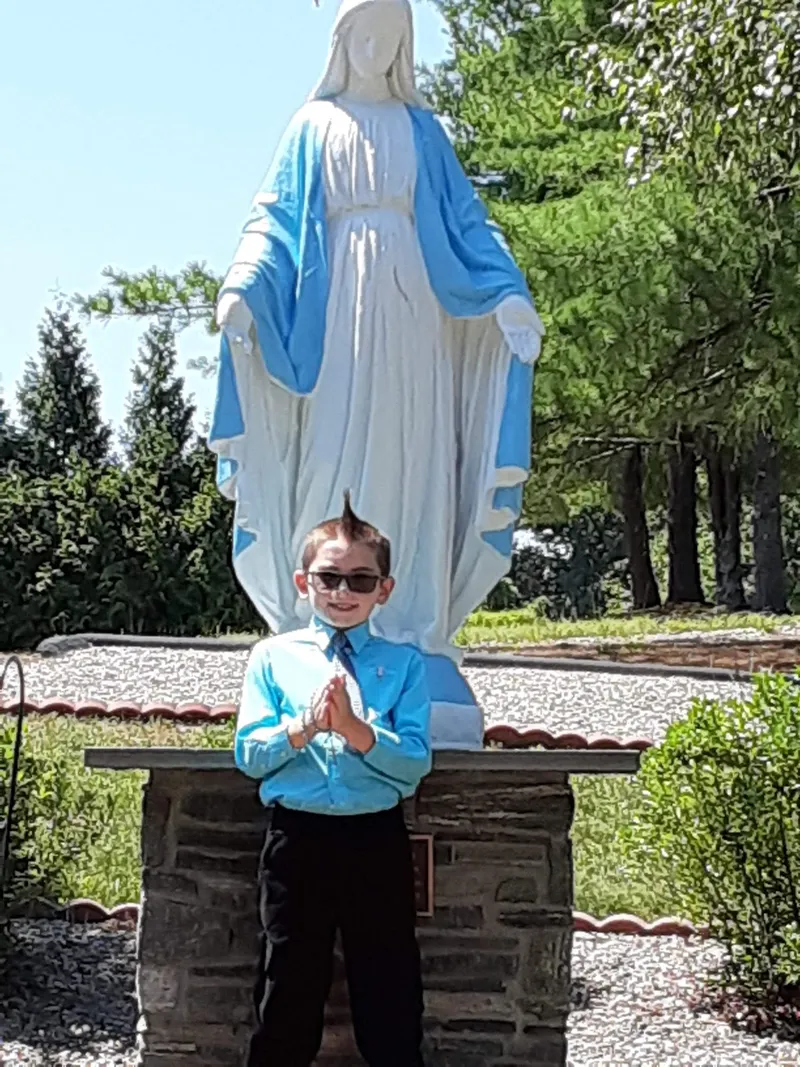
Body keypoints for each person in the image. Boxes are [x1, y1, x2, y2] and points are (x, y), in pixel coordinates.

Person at [209, 0, 544, 746]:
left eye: (391, 35)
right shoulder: (313, 126)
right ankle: (321, 622)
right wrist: (242, 288)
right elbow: (273, 222)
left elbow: (467, 224)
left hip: (416, 319)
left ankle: (412, 625)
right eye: (365, 33)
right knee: (330, 458)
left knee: (413, 461)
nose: (376, 47)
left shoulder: (421, 130)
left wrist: (508, 295)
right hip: (335, 323)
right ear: (342, 40)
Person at [235, 493, 431, 1067]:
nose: (343, 592)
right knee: (288, 981)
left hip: (375, 836)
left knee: (389, 982)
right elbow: (250, 755)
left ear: (383, 590)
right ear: (304, 583)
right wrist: (304, 728)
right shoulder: (273, 658)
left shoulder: (404, 665)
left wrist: (355, 730)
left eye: (360, 580)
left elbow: (414, 763)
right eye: (329, 578)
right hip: (299, 838)